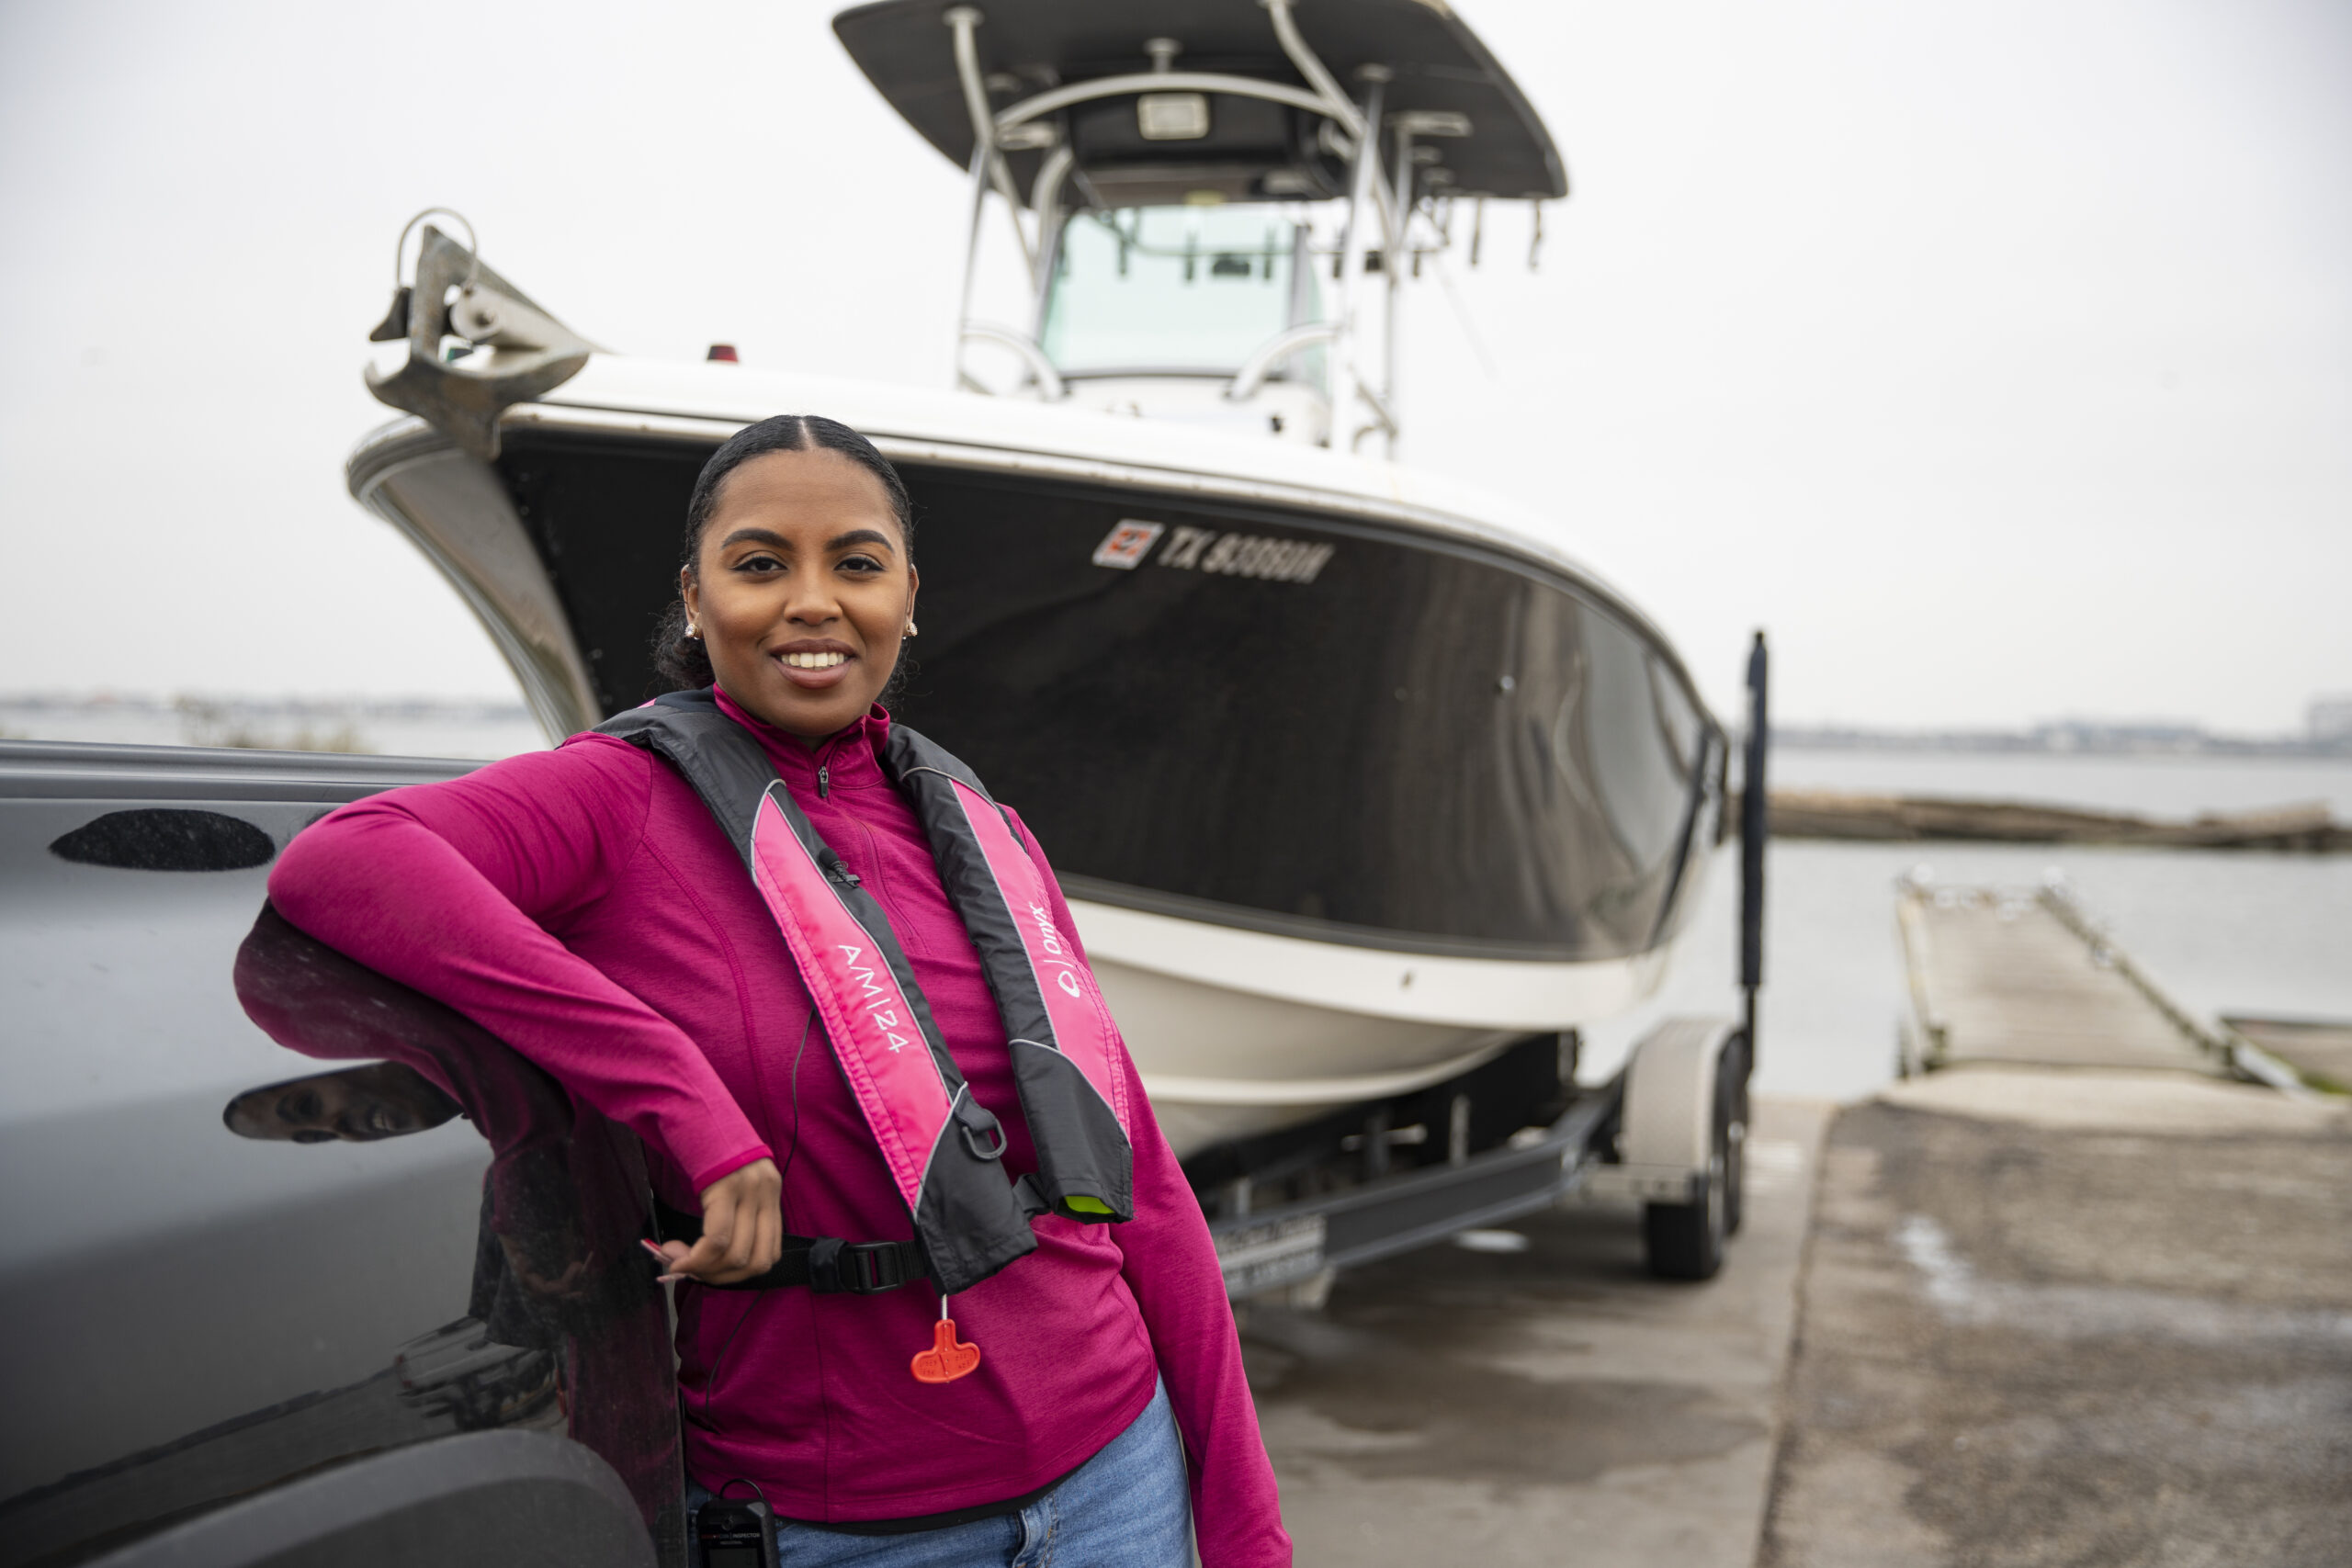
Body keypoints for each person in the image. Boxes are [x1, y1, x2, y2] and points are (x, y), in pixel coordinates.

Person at [268, 414, 1291, 1567]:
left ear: (908, 597)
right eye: (760, 565)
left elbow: (1145, 1191)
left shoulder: (988, 832)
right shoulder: (615, 803)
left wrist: (1246, 1526)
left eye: (855, 564)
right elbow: (344, 860)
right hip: (838, 1527)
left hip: (1120, 1476)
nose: (812, 601)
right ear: (696, 602)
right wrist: (675, 1092)